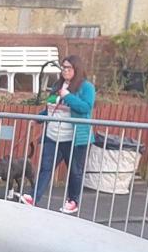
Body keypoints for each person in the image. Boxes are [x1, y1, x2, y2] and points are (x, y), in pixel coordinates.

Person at [22, 54, 96, 214]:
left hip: (74, 138)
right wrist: (39, 118)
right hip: (53, 135)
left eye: (68, 68)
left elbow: (86, 107)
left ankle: (73, 200)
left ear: (77, 69)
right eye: (63, 67)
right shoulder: (58, 85)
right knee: (46, 167)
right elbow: (51, 108)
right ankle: (34, 197)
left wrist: (68, 96)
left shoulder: (86, 87)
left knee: (75, 170)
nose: (65, 70)